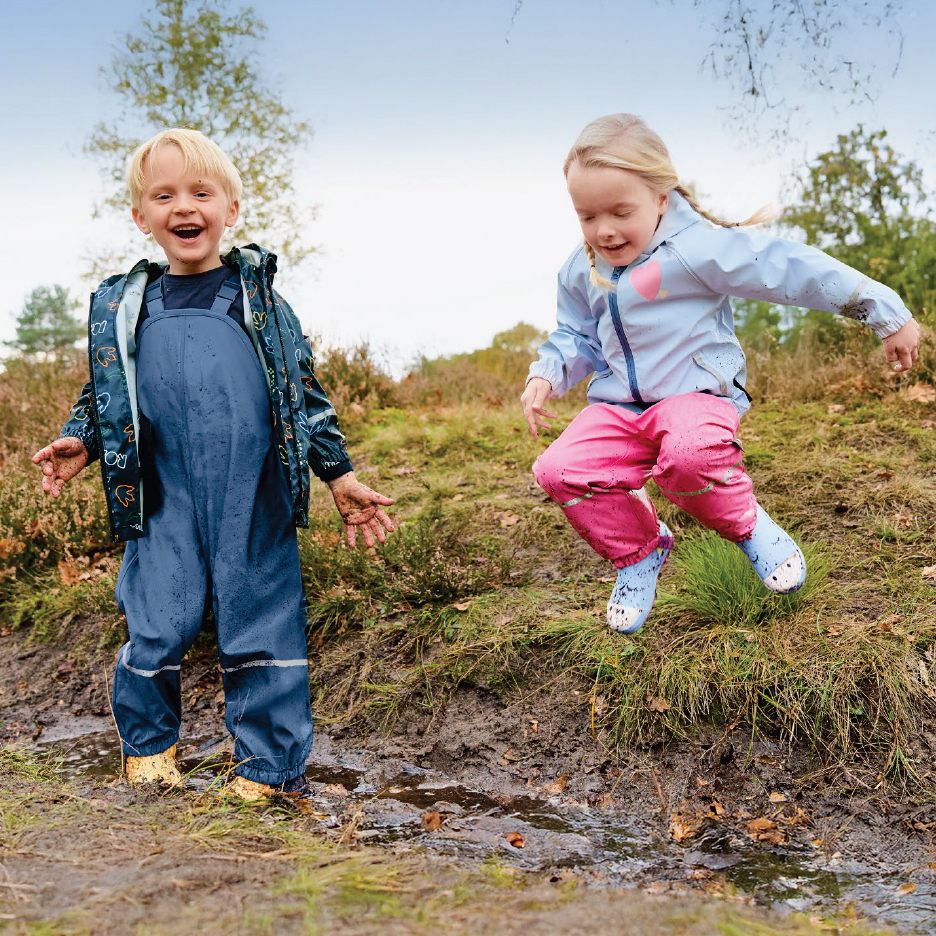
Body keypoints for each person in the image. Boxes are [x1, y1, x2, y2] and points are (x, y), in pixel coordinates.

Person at [32, 128, 394, 800]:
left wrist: (339, 475)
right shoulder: (128, 308)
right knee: (156, 617)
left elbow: (303, 393)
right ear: (140, 217)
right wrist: (81, 439)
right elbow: (104, 391)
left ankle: (267, 767)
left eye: (201, 192)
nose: (184, 207)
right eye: (164, 196)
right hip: (161, 490)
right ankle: (149, 749)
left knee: (259, 617)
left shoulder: (258, 300)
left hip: (250, 488)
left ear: (232, 209)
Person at [522, 113, 920, 635]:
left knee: (688, 459)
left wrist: (881, 309)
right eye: (587, 216)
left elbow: (787, 268)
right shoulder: (582, 268)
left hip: (694, 398)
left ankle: (747, 524)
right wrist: (547, 373)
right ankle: (639, 553)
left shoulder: (698, 248)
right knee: (559, 469)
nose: (604, 231)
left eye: (620, 212)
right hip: (620, 408)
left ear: (660, 198)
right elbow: (575, 334)